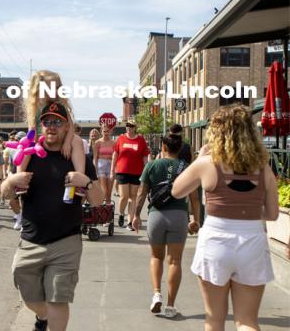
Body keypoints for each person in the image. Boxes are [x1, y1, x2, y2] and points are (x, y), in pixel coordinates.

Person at [172, 105, 279, 331]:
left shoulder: (207, 164)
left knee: (214, 319)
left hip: (216, 241)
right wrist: (246, 210)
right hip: (252, 241)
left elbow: (177, 190)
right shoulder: (263, 168)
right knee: (248, 321)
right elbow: (272, 214)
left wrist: (199, 158)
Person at [2, 102, 103, 331]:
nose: (51, 127)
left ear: (67, 126)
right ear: (40, 126)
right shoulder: (29, 155)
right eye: (47, 122)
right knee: (29, 297)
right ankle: (43, 316)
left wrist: (85, 182)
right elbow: (6, 194)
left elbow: (98, 200)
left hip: (65, 242)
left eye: (57, 122)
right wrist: (10, 182)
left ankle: (51, 319)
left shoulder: (77, 159)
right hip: (30, 241)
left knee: (59, 298)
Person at [132, 132, 200, 318]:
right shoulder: (187, 167)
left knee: (156, 257)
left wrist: (136, 215)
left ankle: (156, 294)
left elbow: (141, 192)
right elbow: (194, 197)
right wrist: (196, 219)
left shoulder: (152, 165)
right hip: (179, 216)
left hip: (156, 215)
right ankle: (170, 306)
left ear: (163, 147)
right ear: (180, 149)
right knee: (175, 261)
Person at [26, 70, 86, 177]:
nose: (58, 90)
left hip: (58, 137)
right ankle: (19, 174)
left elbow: (70, 127)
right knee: (25, 142)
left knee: (77, 140)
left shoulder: (59, 105)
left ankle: (80, 176)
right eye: (55, 87)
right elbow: (32, 129)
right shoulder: (35, 106)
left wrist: (67, 142)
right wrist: (34, 143)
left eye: (59, 87)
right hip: (41, 138)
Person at [111, 120, 149, 229]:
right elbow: (115, 155)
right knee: (124, 196)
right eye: (127, 125)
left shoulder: (141, 140)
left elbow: (145, 157)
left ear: (135, 127)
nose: (129, 127)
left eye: (131, 126)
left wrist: (147, 170)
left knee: (133, 197)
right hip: (122, 171)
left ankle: (130, 221)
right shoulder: (121, 138)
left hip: (136, 172)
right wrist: (112, 170)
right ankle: (121, 214)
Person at [93, 124, 115, 204]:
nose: (106, 133)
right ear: (101, 132)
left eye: (107, 131)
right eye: (104, 131)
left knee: (109, 192)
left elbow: (115, 157)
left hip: (111, 166)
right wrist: (95, 169)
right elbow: (95, 157)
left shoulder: (114, 143)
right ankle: (101, 208)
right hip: (101, 166)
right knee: (104, 190)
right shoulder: (97, 142)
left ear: (110, 132)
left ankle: (107, 211)